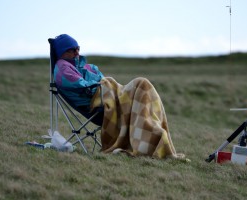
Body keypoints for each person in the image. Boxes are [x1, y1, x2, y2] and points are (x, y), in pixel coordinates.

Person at [52, 34, 186, 160]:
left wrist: (106, 83)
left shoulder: (85, 66)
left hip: (110, 96)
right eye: (71, 50)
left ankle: (153, 137)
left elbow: (101, 79)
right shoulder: (62, 68)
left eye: (78, 49)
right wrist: (104, 84)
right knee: (141, 84)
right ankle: (152, 141)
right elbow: (85, 87)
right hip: (99, 103)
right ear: (61, 53)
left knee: (143, 88)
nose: (77, 53)